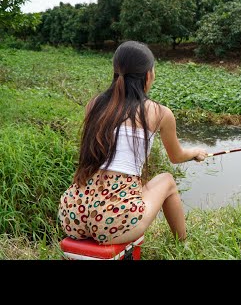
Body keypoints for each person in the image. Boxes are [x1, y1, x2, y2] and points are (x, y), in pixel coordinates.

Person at [58, 40, 208, 245]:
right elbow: (176, 157)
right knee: (167, 181)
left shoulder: (94, 104)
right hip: (112, 224)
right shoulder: (160, 112)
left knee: (138, 187)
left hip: (72, 215)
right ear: (148, 75)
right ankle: (183, 244)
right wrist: (195, 152)